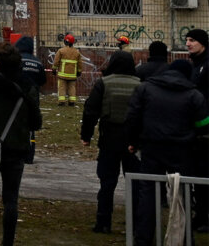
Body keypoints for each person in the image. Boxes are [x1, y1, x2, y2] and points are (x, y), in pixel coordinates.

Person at [126, 59, 209, 245]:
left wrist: (133, 141)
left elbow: (133, 116)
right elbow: (204, 124)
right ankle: (184, 236)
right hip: (182, 150)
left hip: (151, 148)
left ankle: (144, 238)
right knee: (182, 193)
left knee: (148, 192)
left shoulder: (146, 88)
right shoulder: (194, 95)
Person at [0, 43, 42, 246]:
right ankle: (8, 242)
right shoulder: (27, 88)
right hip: (16, 149)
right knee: (11, 199)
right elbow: (36, 123)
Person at [80, 51, 141, 234]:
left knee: (107, 183)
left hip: (109, 139)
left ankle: (103, 222)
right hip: (133, 141)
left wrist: (86, 135)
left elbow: (90, 111)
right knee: (135, 184)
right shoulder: (139, 85)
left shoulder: (104, 83)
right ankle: (136, 224)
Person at [186, 29, 209, 233]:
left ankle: (204, 217)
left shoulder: (206, 66)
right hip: (196, 129)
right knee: (198, 176)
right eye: (187, 40)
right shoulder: (196, 64)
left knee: (203, 174)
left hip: (205, 129)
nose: (188, 43)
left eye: (192, 40)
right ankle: (200, 214)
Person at [14, 36, 45, 164]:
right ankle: (29, 155)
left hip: (15, 99)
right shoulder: (37, 63)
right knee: (31, 128)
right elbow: (43, 81)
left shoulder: (16, 61)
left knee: (15, 125)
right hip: (32, 100)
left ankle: (16, 153)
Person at [53, 34, 82, 106]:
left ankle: (62, 101)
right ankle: (71, 101)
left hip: (62, 74)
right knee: (72, 87)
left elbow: (56, 61)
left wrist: (54, 69)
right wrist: (79, 72)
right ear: (72, 43)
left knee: (62, 87)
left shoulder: (61, 51)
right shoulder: (77, 52)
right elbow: (79, 64)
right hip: (72, 75)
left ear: (65, 42)